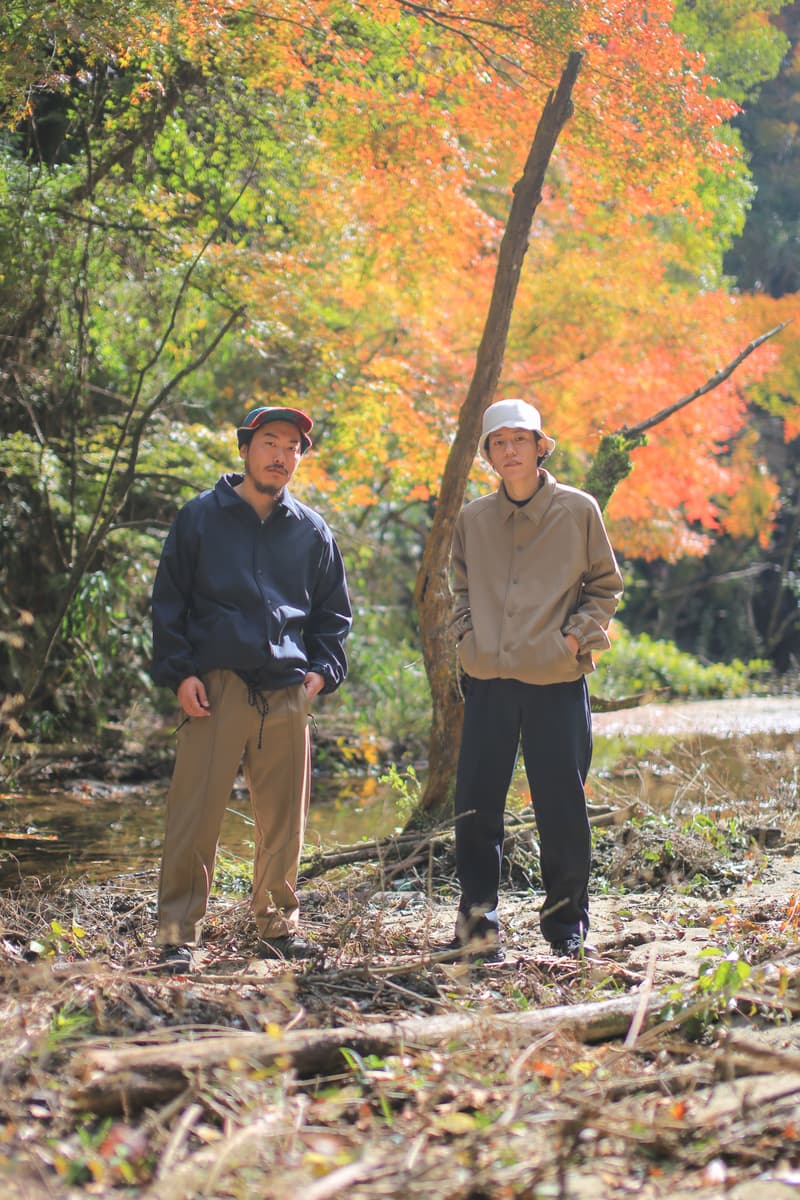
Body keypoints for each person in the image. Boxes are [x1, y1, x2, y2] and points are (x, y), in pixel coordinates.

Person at [150, 404, 352, 972]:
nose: (281, 454)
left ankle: (278, 928)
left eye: (292, 447)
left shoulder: (313, 531)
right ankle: (175, 936)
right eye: (270, 441)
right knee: (195, 813)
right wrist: (181, 671)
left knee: (285, 819)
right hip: (214, 687)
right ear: (246, 448)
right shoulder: (199, 518)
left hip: (287, 690)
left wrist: (322, 671)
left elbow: (333, 614)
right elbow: (170, 603)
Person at [449, 398, 623, 962]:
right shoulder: (473, 518)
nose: (509, 450)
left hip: (554, 678)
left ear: (539, 445)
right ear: (489, 454)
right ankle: (478, 927)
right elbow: (458, 589)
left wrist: (572, 640)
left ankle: (566, 927)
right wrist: (466, 640)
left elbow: (605, 586)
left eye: (519, 440)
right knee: (476, 805)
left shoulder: (578, 509)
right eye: (498, 443)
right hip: (490, 680)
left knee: (561, 808)